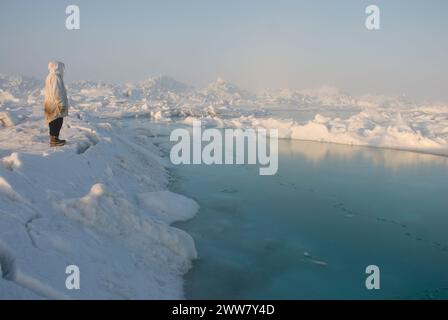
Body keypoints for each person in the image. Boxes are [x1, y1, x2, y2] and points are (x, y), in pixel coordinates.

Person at [44, 61, 68, 147]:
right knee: (57, 121)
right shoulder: (55, 77)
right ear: (57, 67)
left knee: (53, 120)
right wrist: (61, 104)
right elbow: (57, 92)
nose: (63, 70)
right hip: (56, 104)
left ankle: (54, 139)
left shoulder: (50, 76)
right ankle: (54, 140)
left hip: (51, 103)